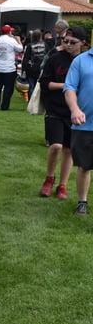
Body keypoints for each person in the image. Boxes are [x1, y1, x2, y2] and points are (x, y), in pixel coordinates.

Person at [38, 28, 86, 200]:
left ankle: (63, 185)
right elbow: (44, 83)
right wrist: (67, 86)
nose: (67, 44)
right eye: (65, 41)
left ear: (83, 43)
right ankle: (49, 178)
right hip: (55, 109)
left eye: (72, 42)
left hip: (77, 112)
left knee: (68, 150)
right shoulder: (55, 59)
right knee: (56, 146)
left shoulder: (84, 61)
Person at [64, 29, 93, 216]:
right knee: (85, 165)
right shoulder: (80, 61)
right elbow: (69, 88)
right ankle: (82, 202)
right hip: (85, 124)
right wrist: (75, 109)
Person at [0, 24, 23, 111]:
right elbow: (20, 49)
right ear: (9, 32)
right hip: (9, 68)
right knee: (8, 88)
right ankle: (4, 106)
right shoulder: (11, 41)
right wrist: (18, 40)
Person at [21, 29, 46, 99]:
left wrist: (23, 70)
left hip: (31, 68)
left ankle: (31, 101)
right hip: (41, 68)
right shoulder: (44, 45)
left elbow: (26, 58)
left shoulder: (30, 45)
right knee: (39, 86)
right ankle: (38, 100)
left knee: (31, 86)